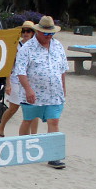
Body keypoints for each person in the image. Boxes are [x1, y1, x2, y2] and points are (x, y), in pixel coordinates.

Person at [14, 15, 68, 169]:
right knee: (28, 120)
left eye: (51, 33)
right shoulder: (27, 48)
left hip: (54, 93)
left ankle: (54, 156)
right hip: (33, 93)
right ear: (38, 31)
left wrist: (64, 87)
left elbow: (62, 69)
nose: (49, 36)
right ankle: (22, 149)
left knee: (54, 121)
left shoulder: (58, 46)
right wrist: (28, 89)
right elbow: (20, 71)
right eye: (46, 33)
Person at [0, 20, 40, 138]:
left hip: (32, 81)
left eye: (28, 31)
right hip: (16, 80)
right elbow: (9, 66)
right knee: (13, 108)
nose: (25, 33)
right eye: (23, 31)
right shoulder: (16, 46)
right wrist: (8, 84)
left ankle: (34, 136)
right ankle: (1, 127)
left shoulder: (37, 46)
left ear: (33, 32)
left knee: (34, 109)